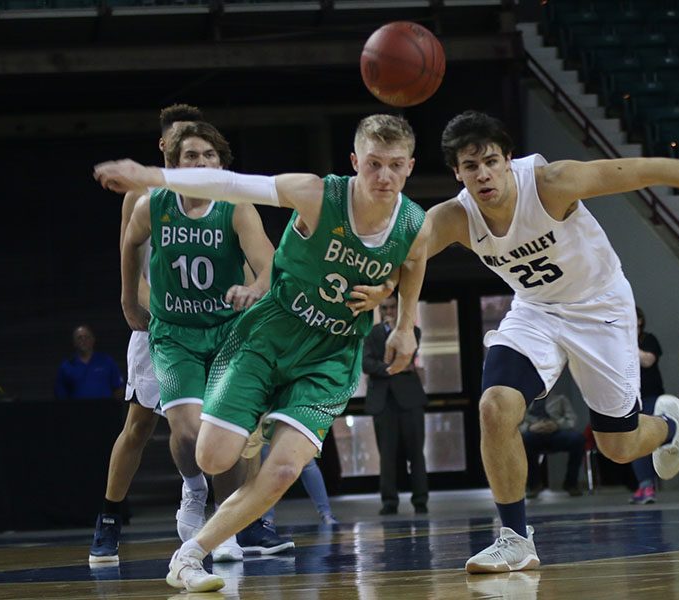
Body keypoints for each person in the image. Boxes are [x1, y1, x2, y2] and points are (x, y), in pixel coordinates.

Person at [417, 110, 679, 574]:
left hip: (601, 308)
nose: (483, 174)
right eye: (470, 167)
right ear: (457, 173)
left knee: (618, 447)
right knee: (494, 406)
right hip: (536, 310)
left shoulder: (551, 183)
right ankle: (515, 539)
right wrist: (379, 294)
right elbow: (407, 252)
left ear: (507, 159)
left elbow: (646, 169)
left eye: (491, 161)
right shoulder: (455, 216)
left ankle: (668, 428)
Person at [93, 113, 430, 593]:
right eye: (373, 164)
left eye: (395, 166)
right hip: (271, 333)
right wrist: (149, 176)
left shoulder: (415, 223)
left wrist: (404, 320)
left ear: (410, 167)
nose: (384, 176)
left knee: (286, 469)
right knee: (211, 457)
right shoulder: (315, 193)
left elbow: (412, 261)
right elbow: (232, 183)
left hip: (331, 355)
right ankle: (242, 438)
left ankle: (191, 555)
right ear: (355, 162)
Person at [114, 120, 277, 565]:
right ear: (175, 165)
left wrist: (254, 289)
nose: (201, 162)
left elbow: (268, 263)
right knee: (187, 434)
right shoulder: (153, 205)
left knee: (223, 439)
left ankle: (223, 530)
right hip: (174, 334)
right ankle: (192, 487)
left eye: (209, 156)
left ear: (222, 165)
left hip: (228, 333)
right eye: (191, 156)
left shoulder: (237, 208)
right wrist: (130, 296)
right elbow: (130, 243)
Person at [89, 103, 205, 564]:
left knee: (236, 420)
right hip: (161, 322)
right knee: (139, 424)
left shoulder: (221, 193)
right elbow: (130, 257)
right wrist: (141, 305)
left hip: (211, 322)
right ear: (164, 147)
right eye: (180, 144)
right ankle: (110, 517)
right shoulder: (141, 195)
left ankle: (248, 520)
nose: (191, 155)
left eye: (198, 146)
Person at [362, 294, 429, 516]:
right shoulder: (371, 334)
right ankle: (389, 502)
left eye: (392, 308)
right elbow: (366, 363)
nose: (388, 312)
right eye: (384, 308)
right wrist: (392, 367)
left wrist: (386, 364)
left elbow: (408, 357)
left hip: (410, 400)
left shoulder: (412, 332)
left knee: (416, 454)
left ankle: (420, 500)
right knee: (387, 456)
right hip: (383, 402)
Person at [629, 307, 665, 505]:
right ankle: (643, 483)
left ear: (640, 320)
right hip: (630, 398)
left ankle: (650, 484)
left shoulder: (649, 339)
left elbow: (648, 361)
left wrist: (628, 343)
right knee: (632, 441)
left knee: (648, 439)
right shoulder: (618, 342)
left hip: (651, 396)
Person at [520, 392, 585, 499]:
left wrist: (557, 424)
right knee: (525, 440)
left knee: (578, 439)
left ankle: (571, 483)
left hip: (557, 432)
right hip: (534, 433)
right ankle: (533, 484)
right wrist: (531, 427)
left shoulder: (560, 398)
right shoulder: (524, 402)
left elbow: (572, 419)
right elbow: (517, 423)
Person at [54, 324, 123, 401]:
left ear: (93, 339)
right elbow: (60, 394)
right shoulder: (66, 366)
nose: (83, 340)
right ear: (74, 342)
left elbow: (118, 389)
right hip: (76, 411)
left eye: (86, 337)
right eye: (79, 338)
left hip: (104, 410)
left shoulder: (107, 361)